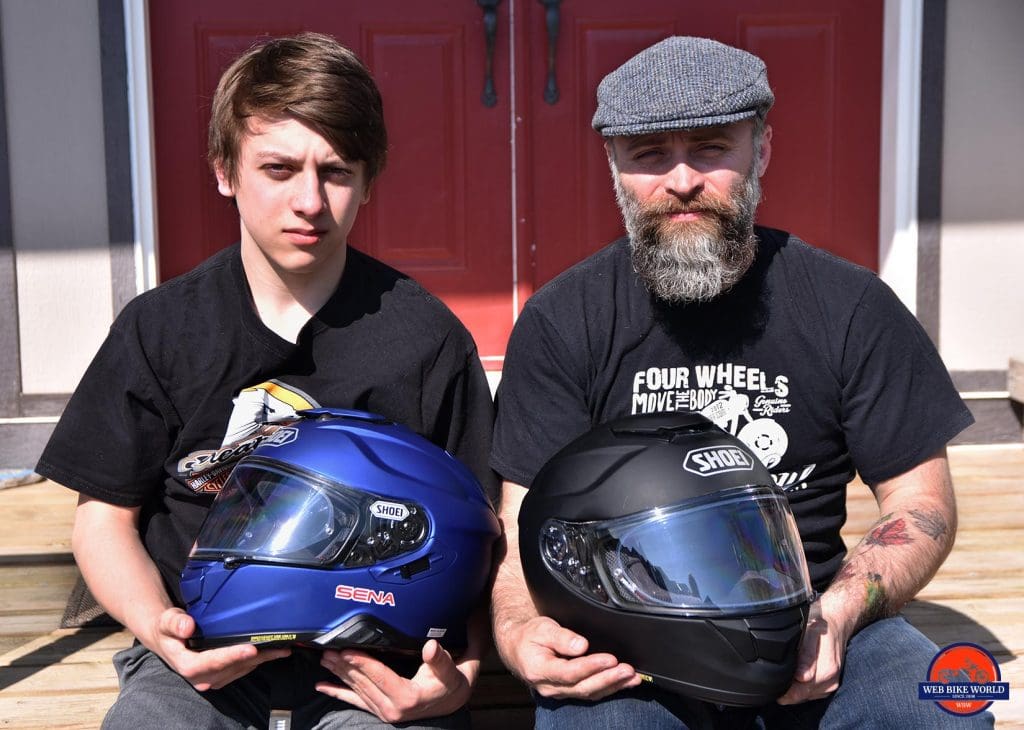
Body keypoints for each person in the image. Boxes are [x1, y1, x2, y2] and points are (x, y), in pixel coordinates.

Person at [489, 36, 992, 728]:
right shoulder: (563, 319)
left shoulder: (849, 305)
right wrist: (517, 631)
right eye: (650, 155)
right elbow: (523, 521)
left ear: (761, 149)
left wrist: (840, 613)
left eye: (712, 147)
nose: (683, 180)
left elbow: (920, 502)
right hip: (634, 635)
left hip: (810, 614)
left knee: (937, 711)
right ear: (614, 168)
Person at [36, 33, 497, 730]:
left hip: (372, 671)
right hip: (198, 661)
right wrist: (159, 628)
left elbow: (480, 531)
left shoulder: (425, 340)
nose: (309, 201)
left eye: (336, 172)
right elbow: (103, 520)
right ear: (225, 170)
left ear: (369, 180)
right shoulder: (161, 328)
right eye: (278, 169)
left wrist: (460, 677)